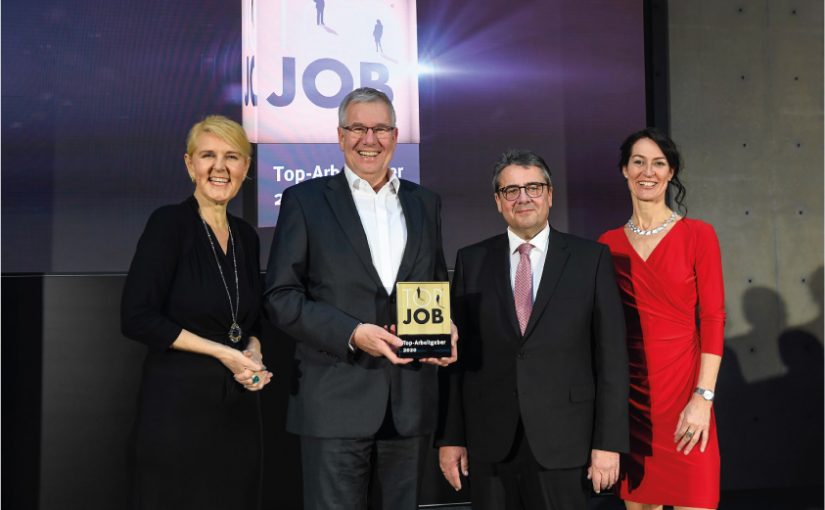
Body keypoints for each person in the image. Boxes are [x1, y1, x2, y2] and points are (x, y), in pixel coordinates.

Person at [264, 87, 458, 510]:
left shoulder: (425, 203)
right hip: (334, 401)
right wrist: (352, 333)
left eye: (380, 128)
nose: (368, 139)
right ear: (340, 135)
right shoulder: (306, 201)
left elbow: (433, 285)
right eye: (357, 128)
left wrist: (447, 329)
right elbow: (281, 296)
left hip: (410, 404)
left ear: (395, 135)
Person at [437, 149, 629, 509]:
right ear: (498, 201)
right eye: (511, 190)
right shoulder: (472, 260)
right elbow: (457, 363)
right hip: (490, 441)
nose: (523, 198)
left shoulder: (591, 259)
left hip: (567, 441)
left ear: (550, 194)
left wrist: (609, 443)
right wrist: (451, 438)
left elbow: (612, 359)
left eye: (533, 187)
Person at [121, 115, 272, 510]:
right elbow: (137, 316)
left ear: (246, 168)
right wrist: (224, 353)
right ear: (190, 165)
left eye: (232, 157)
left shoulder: (246, 236)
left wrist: (252, 352)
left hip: (238, 410)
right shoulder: (168, 224)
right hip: (177, 411)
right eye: (208, 155)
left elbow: (250, 321)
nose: (220, 167)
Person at [598, 128, 725, 510]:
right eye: (638, 161)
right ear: (624, 170)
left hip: (688, 399)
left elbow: (714, 319)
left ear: (671, 173)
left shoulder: (698, 235)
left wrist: (703, 398)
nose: (647, 171)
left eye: (658, 163)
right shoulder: (607, 244)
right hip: (634, 404)